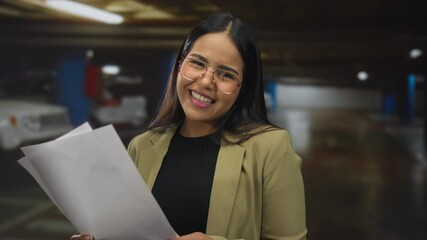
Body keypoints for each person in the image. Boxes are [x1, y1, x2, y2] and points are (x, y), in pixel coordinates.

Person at [72, 12, 306, 240]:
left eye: (225, 74)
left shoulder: (270, 149)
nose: (206, 81)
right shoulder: (141, 146)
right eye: (197, 63)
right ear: (180, 64)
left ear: (243, 87)